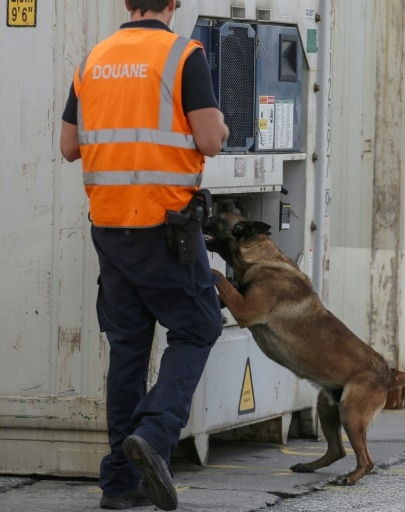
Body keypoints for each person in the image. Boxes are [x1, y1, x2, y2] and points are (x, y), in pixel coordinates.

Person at [59, 1, 229, 510]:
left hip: (110, 228)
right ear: (173, 4)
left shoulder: (95, 58)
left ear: (127, 4)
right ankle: (153, 439)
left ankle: (119, 484)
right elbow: (209, 140)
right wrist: (219, 128)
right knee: (199, 327)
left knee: (129, 350)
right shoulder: (183, 55)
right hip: (166, 228)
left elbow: (69, 146)